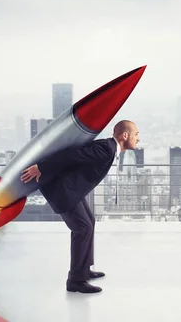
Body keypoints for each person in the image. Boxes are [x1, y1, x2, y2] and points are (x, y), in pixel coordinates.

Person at [20, 120, 140, 294]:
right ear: (125, 135)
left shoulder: (110, 149)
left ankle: (84, 270)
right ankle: (76, 280)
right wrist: (41, 167)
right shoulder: (106, 149)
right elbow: (71, 155)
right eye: (136, 134)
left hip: (72, 190)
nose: (138, 138)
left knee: (89, 222)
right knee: (82, 228)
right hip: (63, 192)